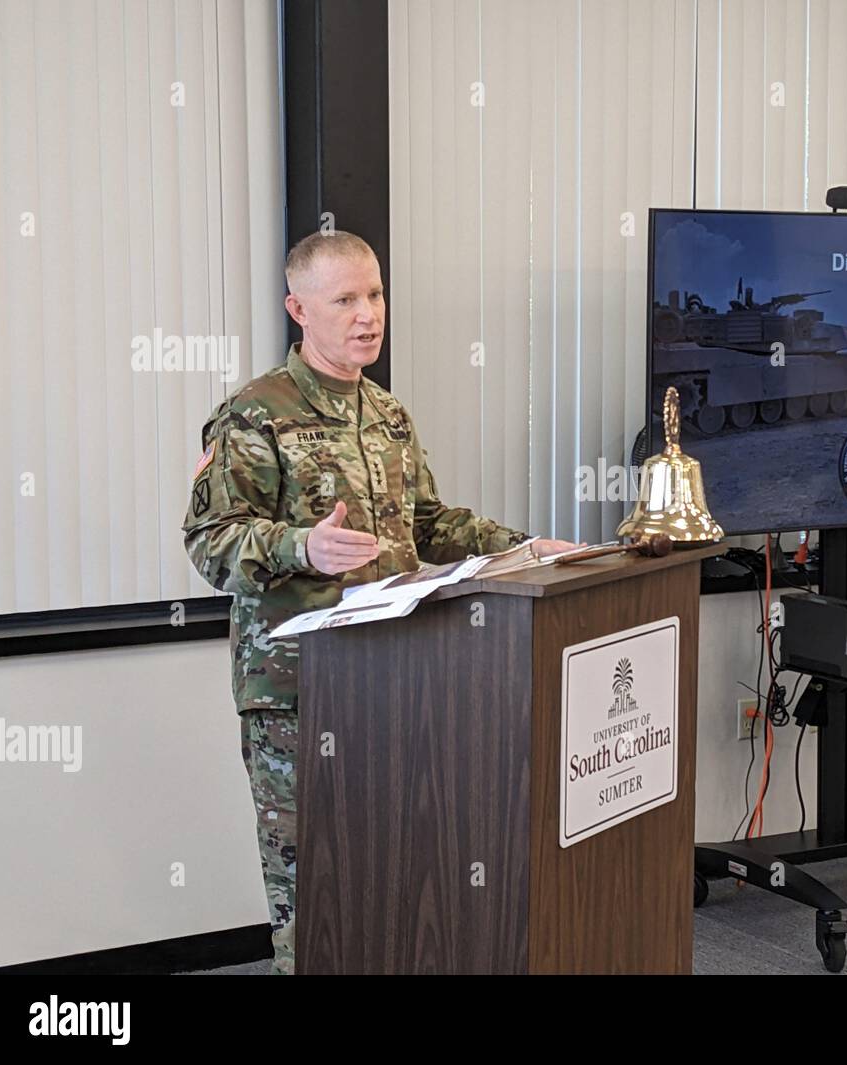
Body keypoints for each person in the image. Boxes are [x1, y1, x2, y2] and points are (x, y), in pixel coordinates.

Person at [182, 231, 575, 974]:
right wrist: (305, 548)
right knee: (312, 887)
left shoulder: (388, 415)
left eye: (376, 294)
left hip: (397, 681)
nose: (368, 315)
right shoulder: (253, 414)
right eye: (345, 300)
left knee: (394, 872)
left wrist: (528, 547)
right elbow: (210, 542)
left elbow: (427, 525)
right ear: (299, 308)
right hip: (299, 692)